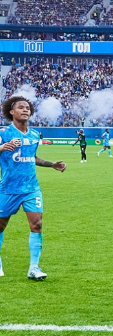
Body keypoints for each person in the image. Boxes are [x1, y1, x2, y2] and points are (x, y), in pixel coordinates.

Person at [0, 96, 66, 280]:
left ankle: (34, 268)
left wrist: (52, 164)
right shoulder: (4, 132)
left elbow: (32, 157)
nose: (25, 110)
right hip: (8, 188)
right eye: (21, 107)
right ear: (11, 112)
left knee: (37, 225)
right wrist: (3, 147)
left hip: (31, 188)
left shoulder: (35, 135)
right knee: (1, 226)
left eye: (27, 108)